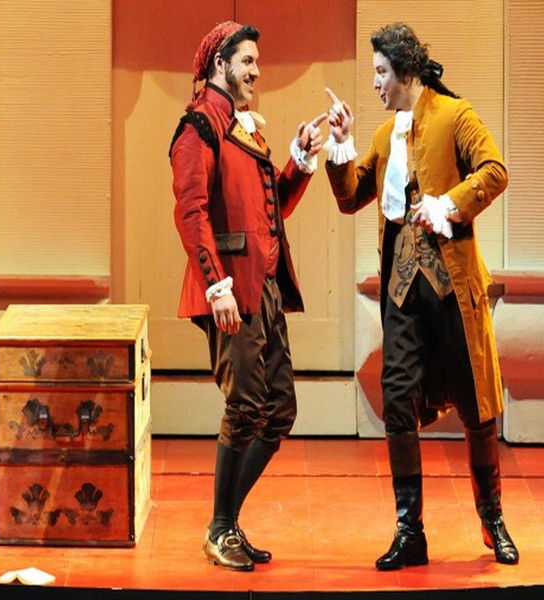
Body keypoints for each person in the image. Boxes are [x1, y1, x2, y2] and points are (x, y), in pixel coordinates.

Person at [323, 23, 518, 570]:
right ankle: (410, 531)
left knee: (476, 405)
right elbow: (351, 196)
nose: (375, 84)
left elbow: (495, 170)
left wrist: (448, 204)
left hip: (452, 288)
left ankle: (493, 518)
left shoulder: (455, 115)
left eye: (381, 73)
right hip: (403, 293)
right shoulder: (386, 135)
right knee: (397, 401)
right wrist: (340, 145)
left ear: (406, 70)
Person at [169, 21, 325, 571]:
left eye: (257, 62)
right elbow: (191, 213)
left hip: (266, 287)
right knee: (245, 406)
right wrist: (216, 285)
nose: (257, 72)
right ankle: (220, 528)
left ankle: (226, 523)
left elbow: (270, 206)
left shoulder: (242, 128)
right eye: (248, 62)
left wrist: (298, 161)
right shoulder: (199, 127)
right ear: (221, 64)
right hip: (232, 289)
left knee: (279, 409)